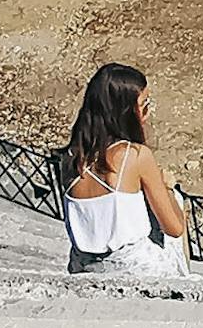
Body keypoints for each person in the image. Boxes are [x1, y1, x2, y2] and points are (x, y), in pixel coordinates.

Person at [59, 62, 191, 279]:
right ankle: (183, 280)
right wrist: (166, 188)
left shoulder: (69, 159)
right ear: (125, 111)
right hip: (135, 267)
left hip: (84, 265)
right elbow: (174, 229)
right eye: (144, 104)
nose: (147, 112)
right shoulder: (134, 155)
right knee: (174, 198)